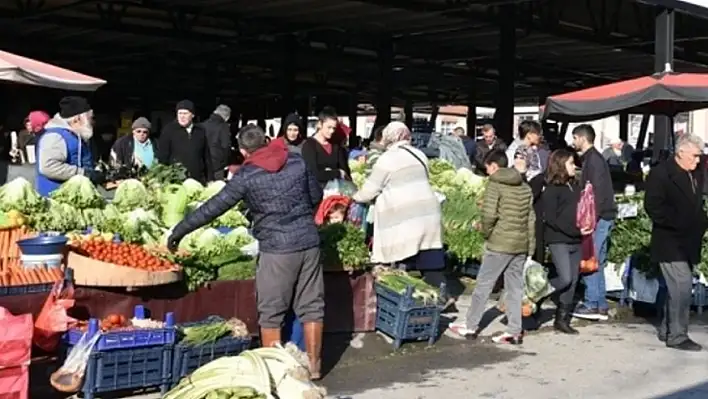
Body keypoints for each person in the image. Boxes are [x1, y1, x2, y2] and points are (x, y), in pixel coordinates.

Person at [166, 124, 325, 377]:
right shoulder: (296, 161)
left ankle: (275, 371)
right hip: (308, 242)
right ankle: (315, 366)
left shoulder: (246, 176)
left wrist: (179, 231)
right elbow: (317, 195)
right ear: (267, 140)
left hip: (276, 250)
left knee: (271, 313)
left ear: (242, 151)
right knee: (312, 306)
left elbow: (214, 207)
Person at [352, 122, 447, 300]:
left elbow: (371, 190)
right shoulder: (419, 154)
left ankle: (406, 298)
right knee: (429, 259)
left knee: (403, 256)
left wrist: (354, 197)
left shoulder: (387, 159)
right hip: (428, 212)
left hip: (405, 217)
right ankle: (440, 296)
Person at [449, 150, 534, 344]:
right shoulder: (524, 186)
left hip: (500, 243)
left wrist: (487, 233)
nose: (487, 173)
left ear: (495, 166)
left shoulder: (495, 185)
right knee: (514, 288)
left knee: (483, 285)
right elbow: (531, 218)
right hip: (520, 244)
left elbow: (489, 215)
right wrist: (530, 246)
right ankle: (514, 330)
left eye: (488, 168)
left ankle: (471, 325)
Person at [644, 134, 706, 352]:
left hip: (689, 240)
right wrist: (679, 221)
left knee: (677, 287)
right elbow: (653, 207)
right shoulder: (661, 174)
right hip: (670, 240)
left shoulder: (697, 173)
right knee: (682, 285)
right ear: (681, 153)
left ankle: (667, 329)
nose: (698, 161)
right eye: (695, 156)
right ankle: (678, 335)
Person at [571, 124, 616, 321]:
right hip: (604, 216)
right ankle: (601, 304)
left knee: (590, 260)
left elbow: (595, 193)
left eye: (574, 138)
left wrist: (590, 220)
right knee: (597, 261)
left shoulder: (593, 161)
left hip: (599, 217)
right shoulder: (594, 159)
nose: (573, 142)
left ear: (582, 138)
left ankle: (591, 304)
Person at [541, 149, 588, 334]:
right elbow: (551, 218)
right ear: (560, 165)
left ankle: (562, 319)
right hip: (558, 238)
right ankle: (538, 292)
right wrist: (572, 229)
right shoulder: (552, 189)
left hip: (576, 238)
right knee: (565, 277)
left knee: (573, 280)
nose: (574, 166)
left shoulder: (575, 186)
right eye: (570, 163)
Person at [36, 96, 105, 196]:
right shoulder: (55, 136)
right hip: (56, 199)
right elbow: (48, 167)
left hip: (75, 198)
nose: (93, 122)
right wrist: (84, 173)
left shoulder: (79, 136)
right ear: (77, 119)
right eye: (91, 118)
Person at [511, 121, 550, 263]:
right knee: (533, 237)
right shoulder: (520, 151)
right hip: (529, 199)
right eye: (537, 133)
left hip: (534, 197)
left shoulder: (528, 149)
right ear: (529, 135)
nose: (540, 136)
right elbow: (522, 174)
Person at [158, 100, 212, 183]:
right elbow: (163, 157)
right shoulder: (169, 130)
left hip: (197, 180)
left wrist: (210, 179)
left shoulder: (200, 131)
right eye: (180, 113)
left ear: (192, 115)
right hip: (176, 180)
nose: (182, 116)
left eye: (185, 113)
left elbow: (206, 157)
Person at [301, 108, 350, 186]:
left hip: (336, 192)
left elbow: (345, 171)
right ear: (320, 124)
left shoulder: (335, 146)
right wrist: (337, 172)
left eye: (334, 128)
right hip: (317, 192)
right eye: (329, 127)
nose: (332, 131)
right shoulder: (309, 145)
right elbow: (314, 174)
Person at [201, 104, 232, 180]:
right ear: (227, 117)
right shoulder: (223, 127)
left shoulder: (202, 125)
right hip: (217, 166)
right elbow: (226, 146)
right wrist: (225, 163)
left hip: (202, 163)